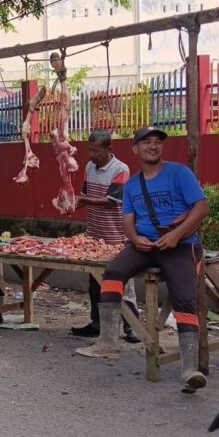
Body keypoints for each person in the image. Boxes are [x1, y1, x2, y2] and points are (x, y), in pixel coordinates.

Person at [76, 127, 210, 394]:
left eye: (157, 142)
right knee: (112, 274)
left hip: (181, 245)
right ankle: (108, 342)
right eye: (146, 142)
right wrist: (135, 239)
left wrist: (177, 235)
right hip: (144, 244)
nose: (153, 146)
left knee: (183, 298)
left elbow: (201, 206)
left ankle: (189, 370)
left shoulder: (179, 173)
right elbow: (127, 221)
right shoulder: (133, 183)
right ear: (135, 149)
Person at [72, 131, 140, 344]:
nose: (91, 155)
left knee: (123, 283)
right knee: (94, 282)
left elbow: (112, 201)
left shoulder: (120, 169)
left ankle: (132, 327)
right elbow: (86, 193)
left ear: (108, 150)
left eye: (95, 151)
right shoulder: (89, 167)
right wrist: (77, 200)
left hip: (116, 235)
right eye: (89, 150)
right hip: (95, 233)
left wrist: (82, 200)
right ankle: (97, 323)